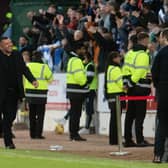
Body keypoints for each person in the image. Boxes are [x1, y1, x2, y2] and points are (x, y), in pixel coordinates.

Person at [0, 37, 38, 149]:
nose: (10, 45)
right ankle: (9, 143)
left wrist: (32, 80)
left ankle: (7, 138)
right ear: (1, 46)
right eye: (7, 44)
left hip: (13, 93)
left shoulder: (17, 55)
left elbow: (24, 69)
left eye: (10, 43)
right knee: (5, 120)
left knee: (10, 117)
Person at [123, 32, 152, 147]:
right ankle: (140, 140)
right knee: (140, 115)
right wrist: (131, 83)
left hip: (131, 88)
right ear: (144, 40)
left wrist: (127, 84)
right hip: (140, 88)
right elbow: (140, 72)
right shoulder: (144, 55)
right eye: (148, 40)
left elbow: (125, 70)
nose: (149, 43)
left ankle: (128, 139)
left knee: (130, 114)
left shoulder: (129, 53)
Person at [24, 51, 53, 139]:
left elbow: (23, 78)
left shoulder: (28, 65)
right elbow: (51, 79)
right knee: (40, 115)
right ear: (41, 58)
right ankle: (38, 134)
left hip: (29, 93)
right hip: (41, 94)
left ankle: (32, 134)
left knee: (31, 115)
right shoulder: (44, 67)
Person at [66, 41, 89, 141]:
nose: (84, 51)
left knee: (74, 113)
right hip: (77, 91)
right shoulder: (76, 61)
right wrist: (85, 84)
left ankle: (73, 133)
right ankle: (74, 134)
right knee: (76, 113)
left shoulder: (71, 60)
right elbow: (79, 76)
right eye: (83, 49)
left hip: (72, 90)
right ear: (78, 50)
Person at [152, 28, 168, 163]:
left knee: (162, 124)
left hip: (164, 92)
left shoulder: (161, 53)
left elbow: (154, 74)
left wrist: (160, 87)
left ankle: (158, 155)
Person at [104, 51, 126, 145]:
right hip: (117, 95)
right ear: (114, 59)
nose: (120, 59)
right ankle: (115, 140)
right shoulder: (116, 69)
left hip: (111, 95)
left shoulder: (109, 68)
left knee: (113, 118)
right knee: (116, 119)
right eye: (118, 57)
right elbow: (121, 83)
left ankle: (113, 140)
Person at [79, 52, 97, 134]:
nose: (83, 60)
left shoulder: (90, 66)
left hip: (91, 90)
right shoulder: (88, 66)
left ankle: (87, 128)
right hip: (89, 89)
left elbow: (89, 79)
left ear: (88, 58)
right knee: (88, 108)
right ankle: (88, 127)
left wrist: (83, 86)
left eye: (84, 58)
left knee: (89, 109)